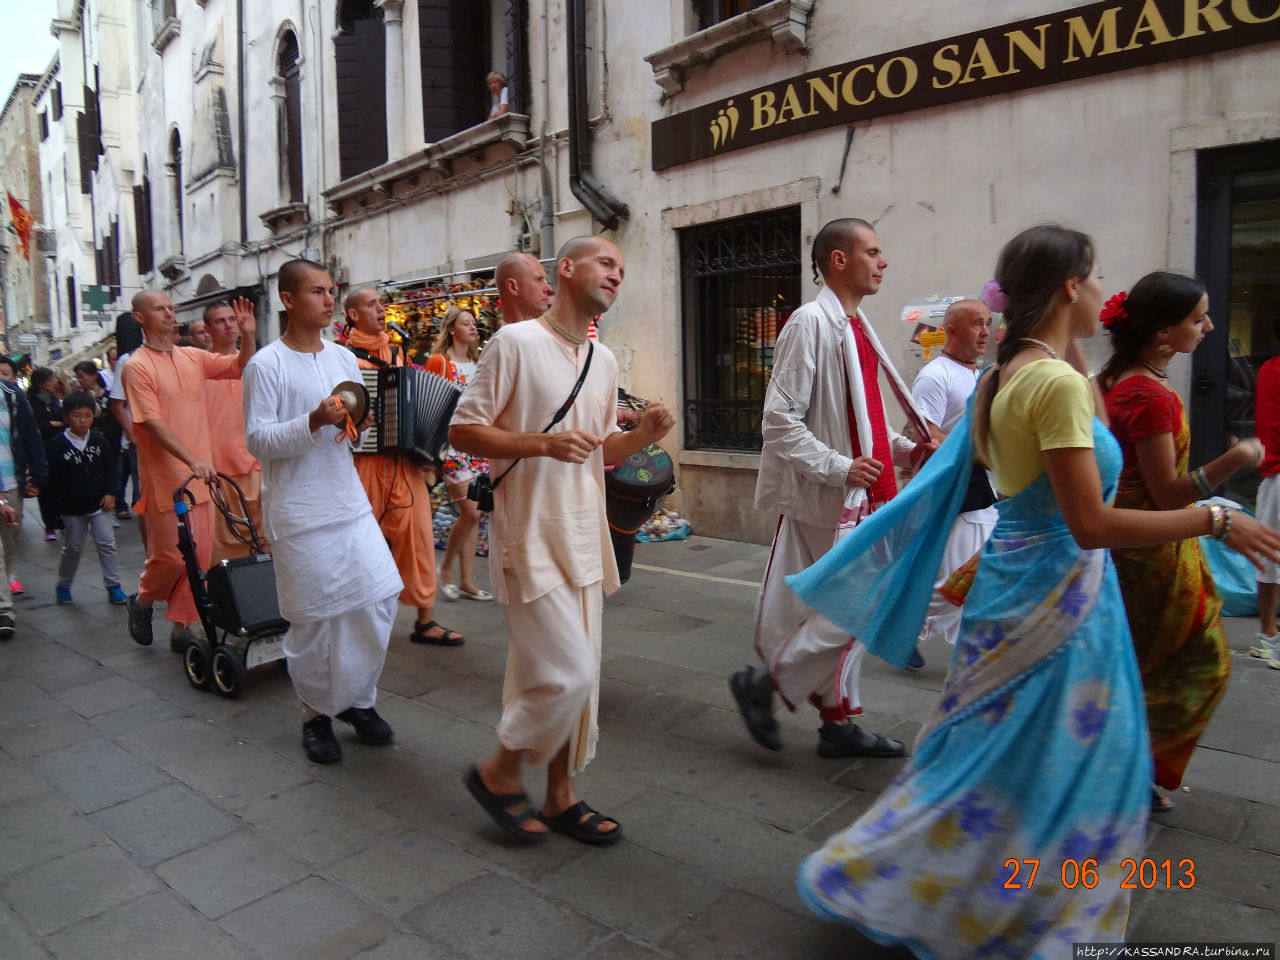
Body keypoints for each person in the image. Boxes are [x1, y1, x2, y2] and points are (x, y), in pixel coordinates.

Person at [786, 224, 1280, 954]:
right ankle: (980, 897)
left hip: (1027, 585)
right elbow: (1089, 522)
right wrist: (1214, 518)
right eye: (1098, 275)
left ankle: (951, 885)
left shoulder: (1014, 371)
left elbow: (1082, 410)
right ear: (1071, 286)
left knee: (1002, 756)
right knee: (1061, 759)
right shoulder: (1047, 381)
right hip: (1054, 597)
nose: (1109, 292)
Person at [451, 236, 675, 844]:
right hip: (527, 533)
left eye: (623, 270)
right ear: (566, 269)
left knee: (570, 672)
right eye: (607, 263)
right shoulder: (515, 343)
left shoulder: (602, 361)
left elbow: (602, 452)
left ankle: (559, 795)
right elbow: (464, 430)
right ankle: (497, 770)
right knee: (567, 671)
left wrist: (646, 434)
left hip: (583, 532)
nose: (617, 276)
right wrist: (541, 443)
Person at [731, 217, 934, 760]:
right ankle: (769, 684)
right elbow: (779, 420)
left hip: (862, 497)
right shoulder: (810, 323)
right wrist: (838, 468)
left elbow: (865, 419)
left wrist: (908, 451)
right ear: (838, 260)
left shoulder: (855, 326)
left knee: (842, 611)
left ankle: (836, 722)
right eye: (873, 251)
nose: (883, 261)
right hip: (833, 498)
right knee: (858, 609)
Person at [1099, 272, 1269, 809]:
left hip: (1130, 547)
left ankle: (1122, 770)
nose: (1210, 326)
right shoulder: (1148, 395)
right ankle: (1132, 771)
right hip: (1152, 552)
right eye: (1198, 318)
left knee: (1133, 662)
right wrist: (1236, 460)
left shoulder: (1114, 382)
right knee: (1199, 661)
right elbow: (1170, 495)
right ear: (1162, 333)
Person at [243, 258, 402, 764]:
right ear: (288, 300)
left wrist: (359, 419)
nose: (329, 300)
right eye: (317, 292)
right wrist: (312, 420)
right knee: (314, 621)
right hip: (299, 511)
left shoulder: (343, 358)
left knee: (378, 600)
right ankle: (315, 716)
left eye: (332, 291)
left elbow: (355, 425)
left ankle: (357, 699)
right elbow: (258, 441)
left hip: (347, 502)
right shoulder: (264, 365)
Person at [121, 290, 256, 651]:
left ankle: (182, 629)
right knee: (170, 557)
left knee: (198, 560)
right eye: (160, 309)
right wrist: (191, 458)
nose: (169, 313)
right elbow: (151, 422)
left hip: (204, 476)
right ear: (140, 318)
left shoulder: (193, 356)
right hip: (168, 478)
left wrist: (248, 334)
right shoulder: (137, 366)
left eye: (171, 307)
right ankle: (144, 600)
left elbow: (240, 366)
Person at [342, 285, 463, 646]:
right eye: (371, 304)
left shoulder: (398, 353)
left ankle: (425, 620)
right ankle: (352, 617)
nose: (381, 309)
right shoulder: (342, 359)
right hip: (361, 466)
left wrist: (425, 447)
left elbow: (413, 401)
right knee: (360, 542)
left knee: (419, 538)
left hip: (403, 464)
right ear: (353, 314)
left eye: (382, 303)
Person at [909, 299, 997, 664]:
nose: (985, 332)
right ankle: (902, 622)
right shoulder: (935, 374)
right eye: (977, 323)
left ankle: (975, 648)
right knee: (959, 578)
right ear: (952, 329)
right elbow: (924, 436)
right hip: (956, 490)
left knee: (977, 573)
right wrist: (978, 453)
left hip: (986, 488)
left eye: (988, 323)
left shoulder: (980, 374)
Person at [426, 306, 492, 602]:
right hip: (450, 447)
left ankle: (467, 581)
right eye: (466, 322)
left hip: (477, 446)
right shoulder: (439, 362)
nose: (473, 326)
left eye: (474, 322)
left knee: (476, 517)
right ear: (452, 328)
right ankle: (448, 569)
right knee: (471, 511)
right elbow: (428, 406)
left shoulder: (480, 362)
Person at [45, 392, 127, 607]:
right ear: (66, 418)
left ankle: (113, 586)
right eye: (77, 416)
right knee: (73, 547)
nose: (83, 421)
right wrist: (54, 511)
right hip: (71, 508)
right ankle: (63, 585)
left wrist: (111, 493)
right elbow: (50, 479)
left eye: (88, 416)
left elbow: (111, 470)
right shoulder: (56, 446)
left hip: (99, 504)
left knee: (107, 544)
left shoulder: (99, 441)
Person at [203, 299, 266, 560]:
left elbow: (245, 365)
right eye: (220, 321)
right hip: (217, 468)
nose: (229, 326)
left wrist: (249, 335)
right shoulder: (199, 366)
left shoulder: (259, 364)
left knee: (262, 540)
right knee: (221, 548)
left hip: (255, 463)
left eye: (232, 319)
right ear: (207, 329)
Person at [0, 362, 47, 596]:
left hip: (9, 479)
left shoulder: (12, 396)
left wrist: (38, 474)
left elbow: (30, 435)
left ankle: (8, 572)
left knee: (9, 535)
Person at [110, 313, 144, 522]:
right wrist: (133, 436)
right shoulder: (126, 360)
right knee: (143, 491)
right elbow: (117, 404)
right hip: (140, 436)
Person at [27, 367, 64, 541]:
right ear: (41, 383)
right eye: (52, 379)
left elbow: (63, 421)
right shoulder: (33, 403)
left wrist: (55, 424)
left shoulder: (55, 400)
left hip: (59, 448)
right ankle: (50, 525)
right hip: (41, 450)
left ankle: (63, 519)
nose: (55, 381)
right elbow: (40, 426)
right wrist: (52, 424)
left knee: (61, 484)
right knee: (45, 488)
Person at [495, 252, 553, 325]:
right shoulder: (505, 336)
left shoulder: (547, 331)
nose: (548, 289)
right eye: (539, 279)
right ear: (512, 287)